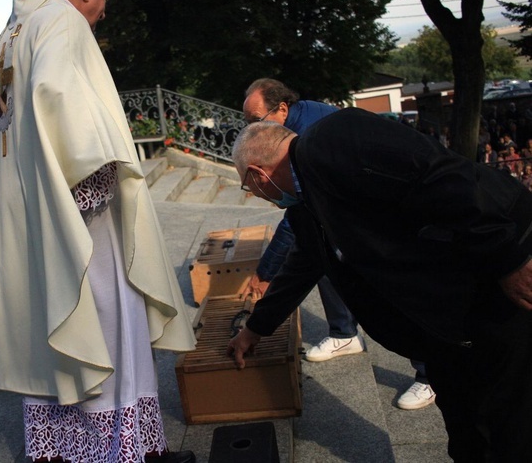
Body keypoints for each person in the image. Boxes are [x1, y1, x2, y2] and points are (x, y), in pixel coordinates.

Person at [0, 0, 196, 462]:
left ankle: (62, 451)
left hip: (31, 212)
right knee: (108, 318)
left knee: (51, 327)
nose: (98, 16)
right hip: (82, 222)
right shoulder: (64, 19)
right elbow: (60, 99)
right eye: (102, 3)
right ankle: (128, 451)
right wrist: (92, 184)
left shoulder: (11, 33)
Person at [228, 108, 532, 461]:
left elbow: (441, 176)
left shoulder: (331, 139)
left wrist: (507, 258)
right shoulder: (305, 202)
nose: (254, 194)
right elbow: (304, 263)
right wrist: (256, 328)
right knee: (465, 427)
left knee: (507, 423)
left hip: (493, 284)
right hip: (446, 321)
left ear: (257, 174)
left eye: (247, 187)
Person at [241, 79, 366, 361]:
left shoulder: (303, 140)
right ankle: (344, 334)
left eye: (256, 121)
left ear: (282, 109)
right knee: (321, 252)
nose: (253, 130)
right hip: (348, 207)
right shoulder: (298, 120)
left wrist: (266, 272)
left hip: (374, 212)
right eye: (247, 123)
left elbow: (298, 216)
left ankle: (428, 374)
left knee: (392, 287)